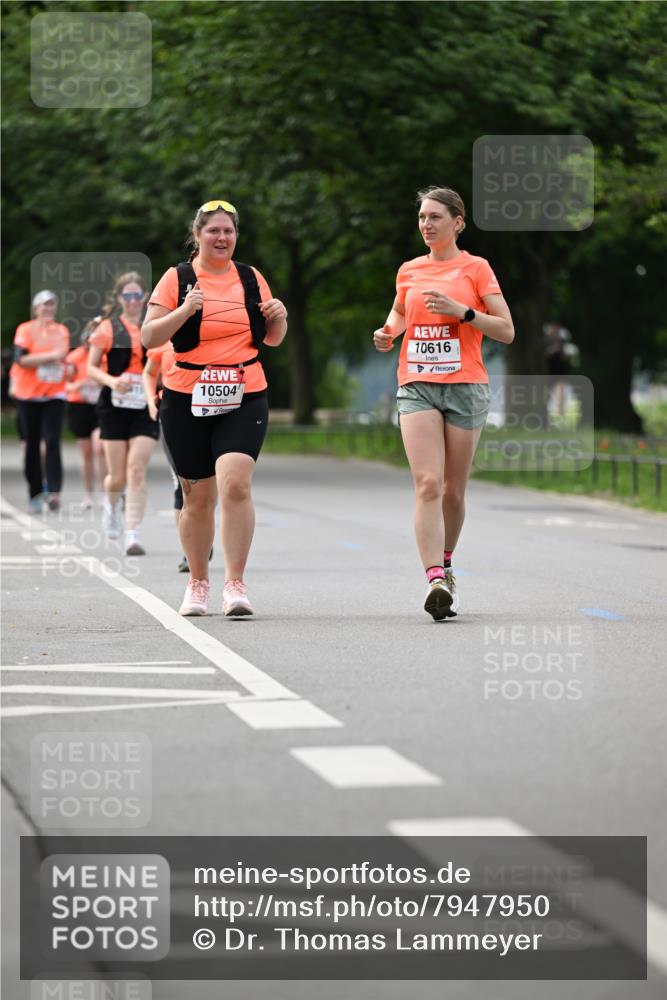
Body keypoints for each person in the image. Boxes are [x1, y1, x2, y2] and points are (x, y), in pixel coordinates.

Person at [373, 186, 514, 620]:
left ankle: (447, 563)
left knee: (454, 489)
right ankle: (434, 577)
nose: (426, 224)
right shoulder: (409, 270)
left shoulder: (476, 268)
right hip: (416, 384)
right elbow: (400, 312)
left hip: (465, 386)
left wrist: (463, 312)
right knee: (428, 484)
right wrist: (388, 331)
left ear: (457, 222)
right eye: (421, 218)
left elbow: (506, 330)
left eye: (435, 217)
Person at [141, 199, 287, 616]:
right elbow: (150, 337)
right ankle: (198, 584)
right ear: (197, 234)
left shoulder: (251, 277)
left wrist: (280, 316)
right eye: (213, 231)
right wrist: (186, 308)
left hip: (244, 390)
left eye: (229, 231)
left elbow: (273, 339)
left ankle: (235, 584)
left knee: (235, 483)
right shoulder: (178, 278)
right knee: (197, 498)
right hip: (186, 394)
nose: (222, 238)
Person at [87, 272, 158, 555]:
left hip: (145, 405)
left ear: (144, 297)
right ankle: (111, 505)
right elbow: (91, 367)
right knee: (117, 476)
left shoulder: (155, 327)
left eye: (136, 295)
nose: (132, 300)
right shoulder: (107, 328)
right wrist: (112, 381)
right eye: (126, 295)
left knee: (137, 469)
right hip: (114, 405)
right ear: (119, 299)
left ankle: (133, 533)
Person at [12, 290, 70, 512]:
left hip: (54, 394)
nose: (47, 309)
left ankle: (54, 492)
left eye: (51, 305)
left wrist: (59, 362)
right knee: (32, 445)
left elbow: (63, 354)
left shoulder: (61, 330)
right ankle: (35, 492)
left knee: (52, 440)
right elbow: (21, 360)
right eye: (44, 305)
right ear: (36, 309)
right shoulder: (25, 330)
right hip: (28, 395)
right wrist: (49, 357)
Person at [65, 325, 106, 509]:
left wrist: (98, 383)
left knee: (99, 447)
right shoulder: (73, 358)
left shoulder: (105, 357)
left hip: (99, 406)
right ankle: (88, 494)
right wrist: (79, 386)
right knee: (86, 452)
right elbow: (62, 386)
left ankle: (104, 492)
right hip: (79, 406)